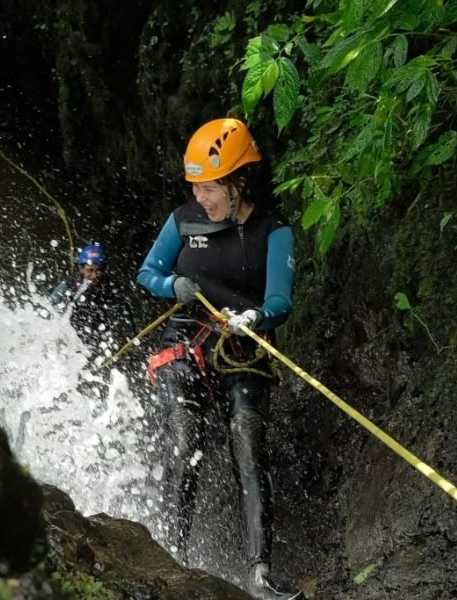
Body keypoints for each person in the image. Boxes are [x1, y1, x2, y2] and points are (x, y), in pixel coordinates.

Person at [136, 118, 300, 600]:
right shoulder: (183, 220)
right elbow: (148, 272)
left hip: (242, 346)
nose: (201, 198)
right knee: (186, 437)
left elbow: (280, 302)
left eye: (209, 188)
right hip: (186, 340)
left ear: (237, 182)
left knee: (247, 440)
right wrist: (172, 287)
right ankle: (170, 555)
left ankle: (260, 573)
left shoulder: (274, 231)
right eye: (196, 188)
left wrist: (256, 316)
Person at [50, 243, 135, 356]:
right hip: (72, 327)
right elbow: (50, 303)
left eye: (98, 270)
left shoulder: (109, 285)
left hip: (98, 326)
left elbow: (123, 310)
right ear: (81, 268)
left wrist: (131, 335)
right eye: (90, 270)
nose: (95, 275)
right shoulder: (71, 283)